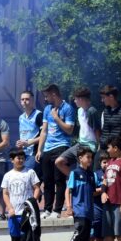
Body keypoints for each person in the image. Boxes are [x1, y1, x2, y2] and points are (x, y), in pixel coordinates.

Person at [37, 84, 75, 219]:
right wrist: (39, 149)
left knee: (59, 180)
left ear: (54, 94)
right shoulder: (47, 109)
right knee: (47, 181)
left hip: (61, 146)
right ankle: (47, 209)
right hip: (47, 148)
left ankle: (57, 211)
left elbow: (69, 130)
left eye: (47, 96)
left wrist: (57, 118)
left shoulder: (68, 108)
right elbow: (44, 131)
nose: (46, 99)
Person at [1, 149, 42, 241]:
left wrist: (32, 203)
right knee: (15, 239)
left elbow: (37, 188)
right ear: (12, 160)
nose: (20, 160)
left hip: (26, 213)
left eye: (22, 158)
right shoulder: (8, 175)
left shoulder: (30, 172)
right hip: (14, 214)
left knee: (26, 239)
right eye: (18, 158)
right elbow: (5, 193)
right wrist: (9, 208)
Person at [60, 149, 99, 241]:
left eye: (91, 157)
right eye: (87, 157)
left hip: (89, 210)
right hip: (79, 209)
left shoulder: (92, 175)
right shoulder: (75, 173)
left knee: (86, 237)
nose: (90, 159)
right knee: (80, 231)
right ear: (80, 158)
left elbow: (93, 192)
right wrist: (69, 206)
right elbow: (68, 190)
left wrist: (104, 187)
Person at [55, 87, 102, 179]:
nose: (75, 101)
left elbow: (97, 131)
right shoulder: (80, 111)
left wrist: (98, 147)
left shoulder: (92, 111)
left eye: (75, 99)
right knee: (59, 162)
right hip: (80, 144)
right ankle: (75, 179)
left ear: (80, 99)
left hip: (89, 146)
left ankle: (81, 182)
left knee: (85, 173)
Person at [99, 85, 121, 152]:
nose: (102, 100)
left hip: (116, 151)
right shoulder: (104, 112)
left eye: (103, 97)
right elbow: (103, 133)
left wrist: (117, 150)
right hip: (103, 150)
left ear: (111, 97)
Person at [16, 91, 43, 173]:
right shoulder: (21, 117)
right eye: (22, 99)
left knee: (26, 175)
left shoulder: (39, 115)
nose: (24, 101)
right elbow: (23, 135)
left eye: (27, 99)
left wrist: (29, 142)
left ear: (32, 100)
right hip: (23, 154)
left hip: (34, 153)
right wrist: (20, 144)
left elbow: (45, 135)